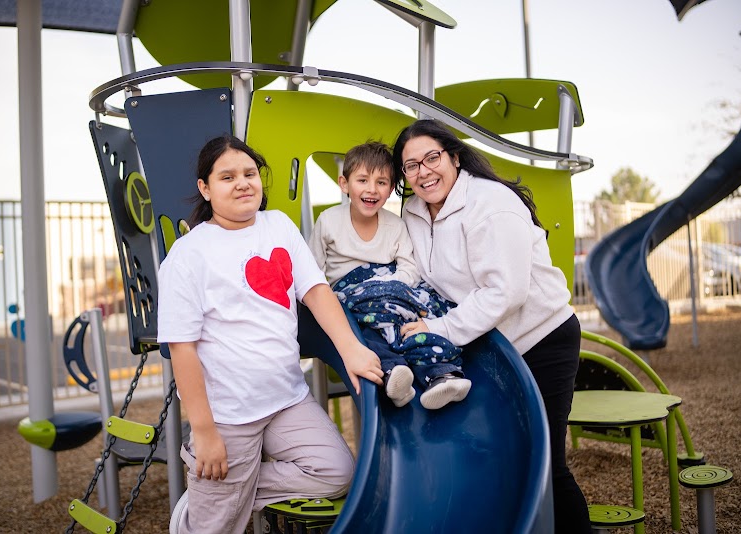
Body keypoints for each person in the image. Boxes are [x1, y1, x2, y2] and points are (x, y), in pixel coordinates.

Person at [157, 135, 384, 534]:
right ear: (205, 188)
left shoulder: (277, 224)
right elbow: (182, 348)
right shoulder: (189, 254)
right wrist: (205, 431)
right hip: (229, 412)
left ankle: (220, 490)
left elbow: (315, 290)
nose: (243, 183)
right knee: (214, 529)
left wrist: (351, 350)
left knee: (336, 472)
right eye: (227, 177)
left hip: (285, 400)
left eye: (250, 173)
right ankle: (206, 504)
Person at [392, 119, 592, 532]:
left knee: (545, 461)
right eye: (411, 166)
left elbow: (506, 292)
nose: (423, 171)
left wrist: (441, 328)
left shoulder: (491, 204)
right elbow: (418, 270)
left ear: (455, 157)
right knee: (496, 456)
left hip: (540, 337)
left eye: (432, 158)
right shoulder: (413, 211)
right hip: (487, 342)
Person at [308, 141, 471, 410]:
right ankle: (395, 374)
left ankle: (443, 376)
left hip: (391, 294)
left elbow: (409, 268)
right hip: (351, 301)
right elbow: (314, 272)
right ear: (344, 184)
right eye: (362, 180)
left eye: (382, 182)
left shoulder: (395, 225)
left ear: (391, 188)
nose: (372, 189)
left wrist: (388, 287)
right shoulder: (328, 221)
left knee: (411, 327)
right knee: (367, 337)